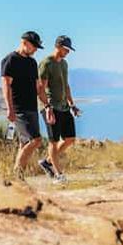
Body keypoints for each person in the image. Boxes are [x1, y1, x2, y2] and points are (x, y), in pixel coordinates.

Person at [1, 31, 51, 178]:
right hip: (19, 109)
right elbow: (6, 85)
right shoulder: (10, 60)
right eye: (34, 46)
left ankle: (18, 179)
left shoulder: (32, 62)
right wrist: (10, 109)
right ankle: (17, 174)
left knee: (24, 144)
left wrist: (47, 106)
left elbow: (38, 88)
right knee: (36, 140)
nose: (35, 49)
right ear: (24, 42)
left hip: (32, 108)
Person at [37, 35, 80, 183]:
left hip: (64, 107)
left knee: (70, 139)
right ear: (58, 46)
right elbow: (40, 88)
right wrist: (47, 107)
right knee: (53, 142)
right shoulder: (46, 63)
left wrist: (72, 104)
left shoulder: (64, 64)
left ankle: (47, 162)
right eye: (66, 49)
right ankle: (58, 174)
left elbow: (66, 86)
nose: (68, 52)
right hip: (51, 108)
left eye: (69, 50)